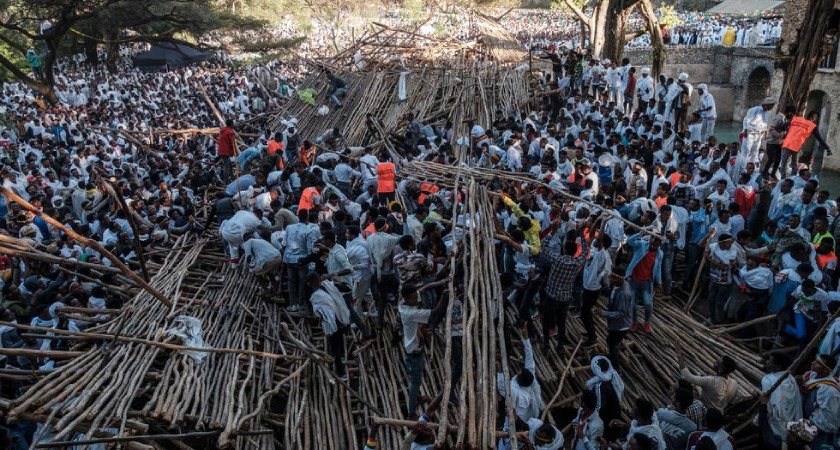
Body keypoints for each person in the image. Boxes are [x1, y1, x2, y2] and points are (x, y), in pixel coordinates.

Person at [398, 277, 450, 416]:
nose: (416, 300)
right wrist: (445, 293)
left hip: (412, 347)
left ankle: (415, 399)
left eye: (416, 297)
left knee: (415, 378)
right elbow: (438, 311)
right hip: (414, 351)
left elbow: (425, 289)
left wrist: (440, 282)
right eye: (413, 299)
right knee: (415, 381)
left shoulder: (403, 302)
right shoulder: (411, 313)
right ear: (407, 299)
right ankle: (411, 412)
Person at [306, 271, 352, 380]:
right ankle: (341, 357)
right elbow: (347, 288)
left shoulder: (315, 297)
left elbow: (319, 314)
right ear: (319, 279)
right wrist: (338, 279)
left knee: (334, 345)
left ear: (309, 284)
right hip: (342, 318)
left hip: (331, 324)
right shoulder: (330, 285)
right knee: (339, 340)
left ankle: (340, 372)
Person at [758, 352, 803, 448]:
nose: (767, 362)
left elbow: (770, 405)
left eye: (770, 361)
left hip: (773, 424)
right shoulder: (791, 379)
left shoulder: (767, 380)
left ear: (777, 367)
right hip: (790, 421)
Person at [676, 346, 739, 411]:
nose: (714, 362)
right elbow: (730, 401)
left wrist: (679, 356)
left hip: (704, 411)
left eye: (716, 363)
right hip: (718, 413)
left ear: (720, 370)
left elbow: (687, 377)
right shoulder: (735, 384)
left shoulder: (711, 381)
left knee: (683, 389)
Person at [798, 354, 840, 447]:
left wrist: (809, 424)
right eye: (815, 360)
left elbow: (829, 420)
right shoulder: (811, 376)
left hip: (816, 432)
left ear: (826, 370)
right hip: (806, 423)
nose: (813, 363)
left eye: (818, 363)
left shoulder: (830, 391)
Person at [623, 232, 662, 333]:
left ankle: (647, 322)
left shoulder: (659, 254)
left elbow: (658, 268)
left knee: (648, 304)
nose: (653, 244)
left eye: (656, 243)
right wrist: (641, 233)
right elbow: (629, 241)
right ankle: (634, 322)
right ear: (650, 239)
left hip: (647, 282)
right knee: (632, 304)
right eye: (653, 241)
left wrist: (659, 281)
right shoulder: (641, 245)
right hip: (633, 280)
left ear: (659, 245)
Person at [595, 275, 633, 372]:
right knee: (610, 341)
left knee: (613, 344)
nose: (611, 279)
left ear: (620, 279)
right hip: (617, 324)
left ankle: (616, 368)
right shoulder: (617, 285)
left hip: (621, 325)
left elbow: (621, 313)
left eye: (613, 278)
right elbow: (611, 294)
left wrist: (603, 313)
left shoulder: (624, 293)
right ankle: (613, 357)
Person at [742, 97, 777, 166]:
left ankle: (750, 167)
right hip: (750, 133)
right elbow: (746, 120)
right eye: (771, 105)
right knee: (746, 151)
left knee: (755, 152)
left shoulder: (767, 113)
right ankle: (743, 167)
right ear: (767, 104)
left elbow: (765, 123)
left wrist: (766, 132)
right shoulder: (754, 110)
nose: (772, 107)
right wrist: (745, 130)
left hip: (758, 135)